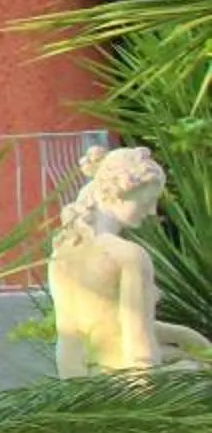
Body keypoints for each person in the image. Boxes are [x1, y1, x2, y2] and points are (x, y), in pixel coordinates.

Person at [47, 144, 212, 377]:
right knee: (197, 369)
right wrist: (148, 399)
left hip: (81, 381)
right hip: (129, 383)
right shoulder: (128, 255)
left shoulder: (62, 252)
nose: (152, 211)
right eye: (146, 201)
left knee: (189, 356)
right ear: (121, 191)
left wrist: (184, 335)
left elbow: (92, 330)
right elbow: (138, 342)